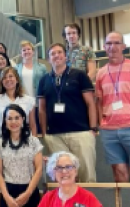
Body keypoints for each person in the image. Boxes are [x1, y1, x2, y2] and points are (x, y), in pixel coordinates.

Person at [37, 43, 97, 182]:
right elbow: (42, 109)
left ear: (65, 56)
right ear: (48, 59)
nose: (56, 56)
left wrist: (93, 128)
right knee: (63, 177)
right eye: (53, 54)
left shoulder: (79, 75)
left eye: (59, 52)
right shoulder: (44, 80)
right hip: (55, 136)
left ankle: (88, 204)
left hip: (81, 133)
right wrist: (45, 134)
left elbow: (90, 103)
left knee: (86, 175)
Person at [95, 31, 130, 182]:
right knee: (119, 174)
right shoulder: (100, 73)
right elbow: (99, 102)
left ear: (124, 46)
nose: (112, 46)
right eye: (108, 43)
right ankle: (124, 206)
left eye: (116, 43)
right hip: (110, 130)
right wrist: (100, 123)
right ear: (104, 47)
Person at [0, 67, 36, 140]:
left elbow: (32, 125)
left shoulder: (29, 100)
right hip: (2, 141)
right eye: (4, 78)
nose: (8, 79)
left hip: (24, 142)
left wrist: (34, 144)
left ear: (17, 80)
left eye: (11, 76)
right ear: (1, 82)